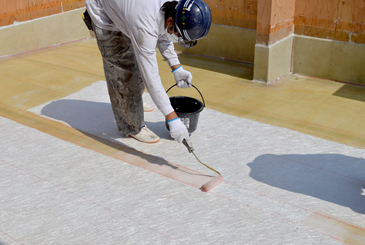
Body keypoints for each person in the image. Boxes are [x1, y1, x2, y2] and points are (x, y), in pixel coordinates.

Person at [85, 0, 212, 145]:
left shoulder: (178, 8)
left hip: (129, 11)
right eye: (180, 35)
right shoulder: (145, 22)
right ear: (171, 20)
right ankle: (132, 126)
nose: (178, 39)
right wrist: (173, 118)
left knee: (137, 59)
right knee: (124, 70)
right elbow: (150, 75)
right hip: (104, 13)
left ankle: (133, 102)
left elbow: (165, 33)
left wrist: (176, 68)